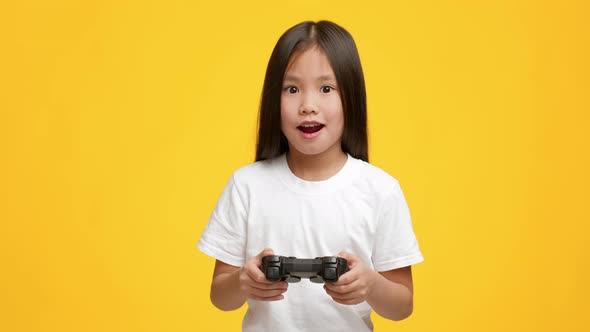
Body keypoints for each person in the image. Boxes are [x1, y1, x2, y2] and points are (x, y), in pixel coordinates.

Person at [197, 20, 424, 332]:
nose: (308, 106)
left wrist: (371, 284)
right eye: (292, 89)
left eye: (326, 89)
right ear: (273, 100)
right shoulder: (246, 185)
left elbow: (402, 306)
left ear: (351, 98)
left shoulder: (380, 190)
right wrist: (243, 282)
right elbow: (220, 297)